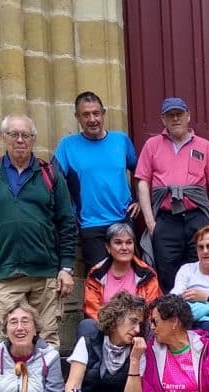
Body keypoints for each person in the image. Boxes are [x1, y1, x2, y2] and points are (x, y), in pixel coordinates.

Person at [0, 114, 77, 347]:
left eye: (25, 135)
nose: (20, 140)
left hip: (45, 273)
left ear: (33, 139)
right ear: (3, 137)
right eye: (13, 134)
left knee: (47, 337)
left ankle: (46, 384)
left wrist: (66, 267)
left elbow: (67, 222)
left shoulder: (50, 174)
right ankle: (12, 385)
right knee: (9, 339)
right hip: (7, 272)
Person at [134, 96, 209, 292]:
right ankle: (174, 318)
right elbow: (143, 183)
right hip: (166, 221)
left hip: (197, 219)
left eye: (179, 114)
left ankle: (201, 317)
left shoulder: (204, 146)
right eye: (170, 115)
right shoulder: (152, 145)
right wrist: (151, 224)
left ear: (188, 116)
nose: (175, 119)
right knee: (167, 273)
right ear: (163, 119)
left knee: (203, 269)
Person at [53, 91, 137, 267]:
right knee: (99, 282)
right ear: (78, 117)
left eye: (96, 113)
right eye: (86, 114)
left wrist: (137, 200)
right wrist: (67, 214)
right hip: (91, 224)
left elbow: (139, 171)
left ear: (103, 113)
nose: (92, 119)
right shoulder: (67, 145)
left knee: (128, 281)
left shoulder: (121, 141)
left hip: (122, 220)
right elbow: (53, 181)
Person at [81, 223, 164, 321]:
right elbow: (93, 310)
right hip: (106, 328)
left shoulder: (147, 274)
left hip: (139, 328)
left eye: (129, 242)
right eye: (118, 242)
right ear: (108, 247)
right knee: (86, 325)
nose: (124, 247)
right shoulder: (96, 275)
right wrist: (114, 328)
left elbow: (151, 310)